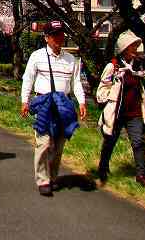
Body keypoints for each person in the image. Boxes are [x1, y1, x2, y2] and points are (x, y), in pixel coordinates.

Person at [21, 20, 87, 196]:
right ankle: (42, 180)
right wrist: (24, 101)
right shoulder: (37, 56)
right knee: (44, 143)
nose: (59, 38)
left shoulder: (71, 59)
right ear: (47, 38)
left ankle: (53, 177)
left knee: (58, 146)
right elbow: (28, 78)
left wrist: (81, 102)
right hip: (44, 104)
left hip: (63, 106)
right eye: (55, 35)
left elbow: (76, 83)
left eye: (61, 34)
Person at [96, 31, 145, 188]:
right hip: (117, 112)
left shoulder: (138, 65)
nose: (135, 48)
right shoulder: (113, 66)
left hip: (134, 112)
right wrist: (110, 99)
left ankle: (141, 175)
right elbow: (101, 90)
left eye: (136, 46)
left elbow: (142, 86)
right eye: (132, 46)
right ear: (124, 48)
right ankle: (103, 167)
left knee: (138, 142)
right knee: (110, 140)